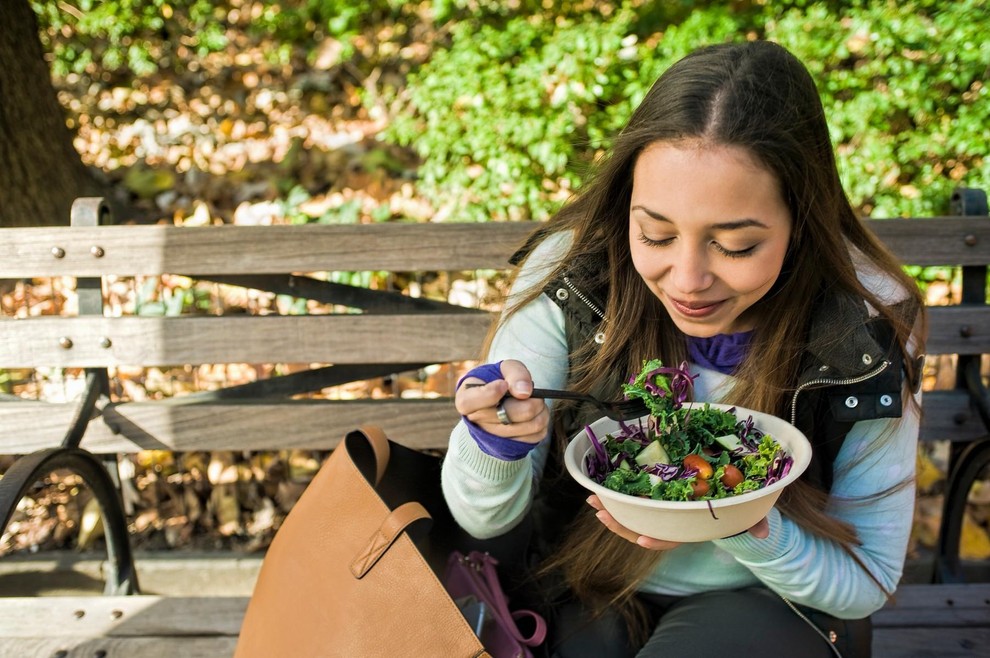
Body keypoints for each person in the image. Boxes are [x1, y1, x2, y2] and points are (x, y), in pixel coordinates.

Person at [441, 40, 925, 658]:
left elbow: (868, 578)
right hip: (583, 582)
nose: (687, 280)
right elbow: (483, 521)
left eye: (736, 246)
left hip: (776, 603)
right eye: (656, 234)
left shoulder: (862, 323)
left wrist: (747, 527)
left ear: (801, 221)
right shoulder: (576, 280)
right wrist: (495, 441)